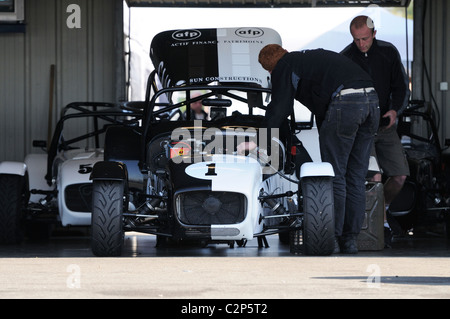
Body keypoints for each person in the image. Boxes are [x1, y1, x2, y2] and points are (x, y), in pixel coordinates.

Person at [239, 44, 380, 254]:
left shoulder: (284, 66)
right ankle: (350, 240)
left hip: (346, 103)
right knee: (356, 177)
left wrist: (259, 141)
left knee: (335, 175)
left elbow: (280, 108)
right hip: (371, 101)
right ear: (284, 50)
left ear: (269, 69)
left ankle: (332, 238)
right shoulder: (309, 60)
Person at [341, 15, 410, 247]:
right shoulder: (345, 57)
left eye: (365, 38)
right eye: (356, 39)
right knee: (374, 177)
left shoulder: (389, 52)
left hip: (385, 124)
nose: (361, 44)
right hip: (361, 128)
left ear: (374, 33)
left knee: (400, 175)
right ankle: (378, 224)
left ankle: (384, 208)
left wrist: (394, 111)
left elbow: (401, 86)